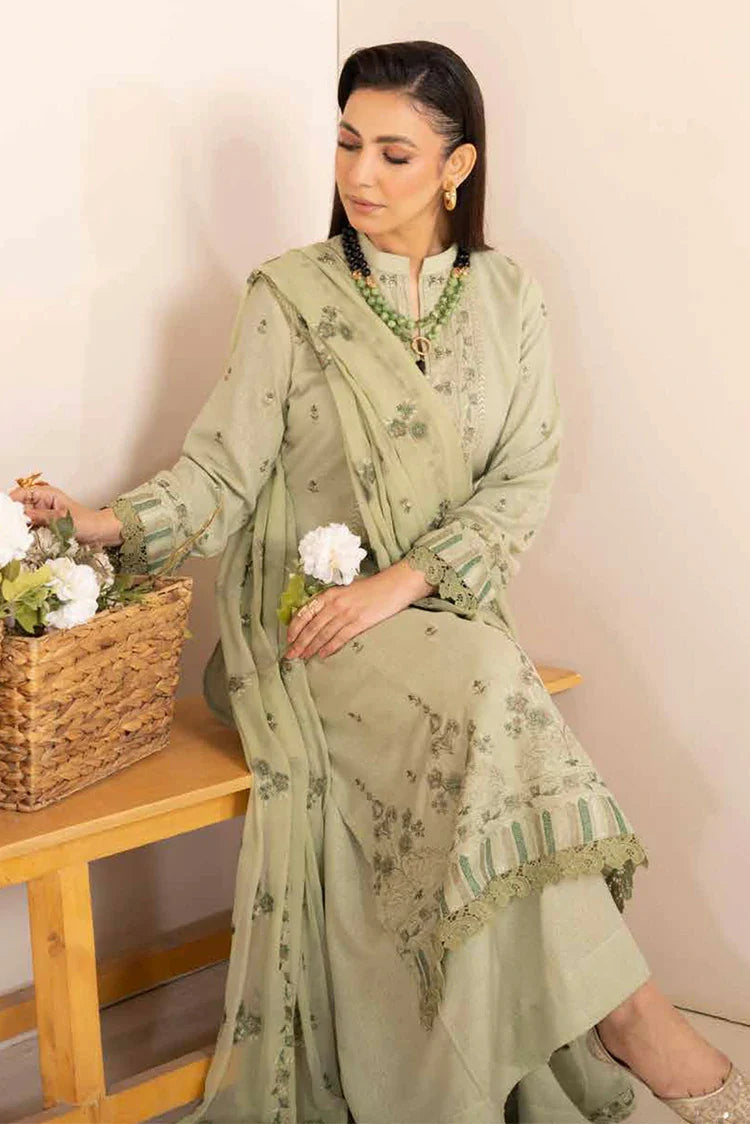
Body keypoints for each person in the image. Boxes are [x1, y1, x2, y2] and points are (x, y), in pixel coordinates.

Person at [12, 39, 748, 1124]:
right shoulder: (289, 295)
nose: (361, 173)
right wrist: (101, 523)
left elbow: (524, 478)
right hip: (305, 630)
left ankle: (589, 1017)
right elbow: (221, 472)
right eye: (349, 143)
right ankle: (632, 1012)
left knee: (488, 687)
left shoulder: (508, 298)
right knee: (495, 687)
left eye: (395, 153)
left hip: (441, 614)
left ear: (458, 166)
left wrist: (404, 582)